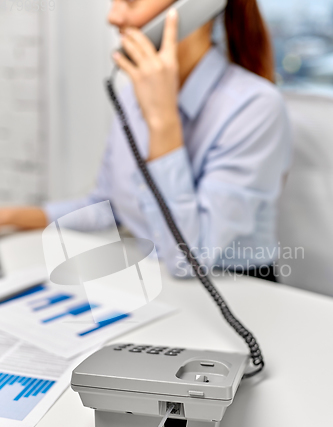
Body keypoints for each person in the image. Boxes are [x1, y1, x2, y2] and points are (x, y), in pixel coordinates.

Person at [0, 0, 291, 280]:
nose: (112, 17)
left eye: (130, 0)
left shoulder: (255, 106)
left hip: (238, 295)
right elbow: (107, 207)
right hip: (158, 284)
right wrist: (12, 215)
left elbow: (189, 259)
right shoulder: (131, 95)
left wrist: (162, 121)